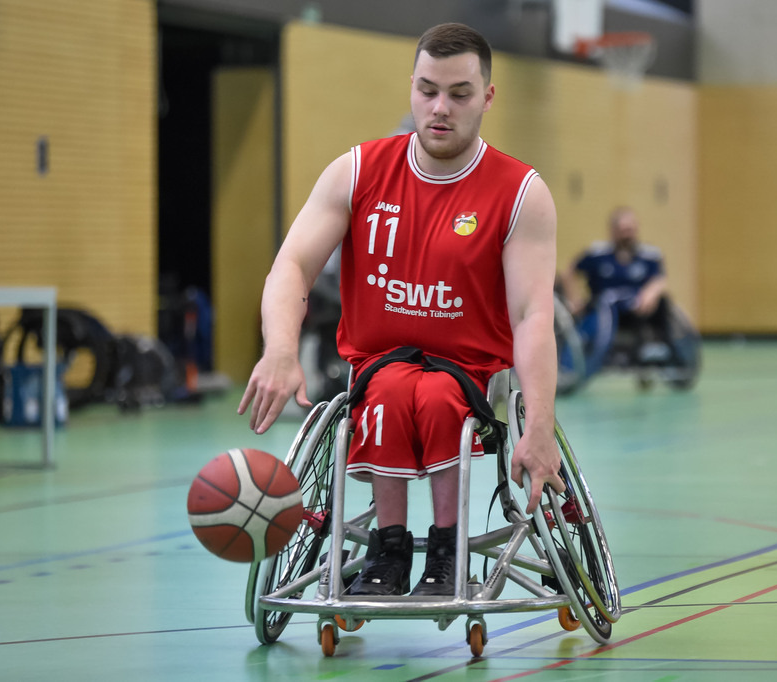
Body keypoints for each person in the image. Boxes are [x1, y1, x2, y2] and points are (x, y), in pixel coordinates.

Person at [238, 23, 565, 598]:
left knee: (437, 399)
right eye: (427, 89)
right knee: (388, 391)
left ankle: (446, 548)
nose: (440, 108)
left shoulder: (520, 192)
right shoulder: (357, 171)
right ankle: (388, 551)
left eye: (460, 94)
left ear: (487, 97)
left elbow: (534, 315)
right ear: (411, 86)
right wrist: (281, 351)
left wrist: (538, 425)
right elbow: (290, 267)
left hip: (469, 377)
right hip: (377, 366)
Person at [561, 206, 674, 378]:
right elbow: (569, 272)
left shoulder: (648, 256)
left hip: (636, 309)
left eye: (631, 229)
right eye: (623, 230)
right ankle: (576, 364)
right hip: (603, 308)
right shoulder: (598, 254)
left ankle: (662, 349)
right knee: (597, 315)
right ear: (613, 231)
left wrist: (650, 292)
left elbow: (659, 278)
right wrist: (574, 300)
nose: (628, 234)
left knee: (663, 301)